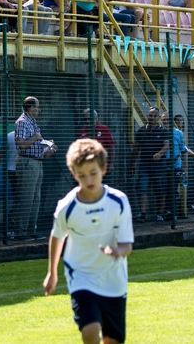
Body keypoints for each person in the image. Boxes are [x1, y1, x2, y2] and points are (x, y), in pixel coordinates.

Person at [42, 138, 134, 344]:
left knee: (112, 340)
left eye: (93, 173)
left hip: (114, 281)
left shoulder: (119, 201)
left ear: (104, 168)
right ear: (74, 173)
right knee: (90, 331)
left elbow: (127, 244)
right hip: (81, 276)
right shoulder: (67, 207)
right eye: (82, 175)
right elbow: (57, 237)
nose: (89, 180)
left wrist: (117, 251)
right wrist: (52, 273)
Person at [14, 96, 55, 239]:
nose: (39, 109)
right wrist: (36, 137)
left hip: (37, 162)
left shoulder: (33, 122)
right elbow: (21, 144)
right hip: (27, 163)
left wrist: (48, 147)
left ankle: (31, 230)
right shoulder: (22, 122)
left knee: (35, 199)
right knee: (26, 198)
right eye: (37, 106)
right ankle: (21, 232)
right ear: (30, 108)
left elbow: (36, 143)